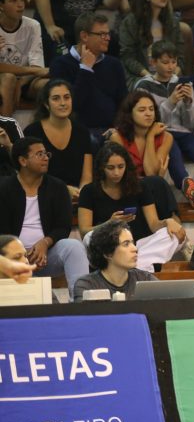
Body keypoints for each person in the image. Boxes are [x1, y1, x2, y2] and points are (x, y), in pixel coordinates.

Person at [0, 137, 89, 299]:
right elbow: (3, 231)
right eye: (39, 154)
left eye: (46, 154)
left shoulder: (58, 187)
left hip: (47, 254)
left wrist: (45, 243)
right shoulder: (4, 188)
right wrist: (21, 254)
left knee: (74, 247)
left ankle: (81, 300)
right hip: (12, 258)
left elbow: (63, 227)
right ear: (23, 161)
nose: (46, 158)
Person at [135, 40, 194, 203]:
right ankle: (187, 185)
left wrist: (189, 103)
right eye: (165, 62)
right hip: (158, 131)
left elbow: (190, 124)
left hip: (183, 131)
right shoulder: (144, 85)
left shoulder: (182, 82)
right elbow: (147, 119)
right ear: (153, 62)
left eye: (173, 62)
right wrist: (171, 102)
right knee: (171, 147)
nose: (170, 67)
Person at [78, 142, 186, 272]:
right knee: (89, 238)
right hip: (108, 247)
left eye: (121, 167)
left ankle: (131, 265)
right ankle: (136, 266)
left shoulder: (139, 186)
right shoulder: (89, 191)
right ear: (102, 168)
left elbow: (153, 224)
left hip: (137, 247)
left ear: (126, 166)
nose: (116, 173)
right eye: (110, 168)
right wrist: (109, 224)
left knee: (172, 235)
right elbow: (84, 231)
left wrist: (167, 222)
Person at [49, 12, 128, 146]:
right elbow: (70, 105)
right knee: (91, 142)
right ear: (84, 36)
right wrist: (85, 69)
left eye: (108, 34)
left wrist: (117, 128)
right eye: (102, 34)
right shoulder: (61, 65)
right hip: (77, 131)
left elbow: (123, 103)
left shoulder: (114, 64)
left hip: (111, 129)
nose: (108, 38)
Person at [23, 79, 93, 199]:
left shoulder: (82, 132)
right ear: (46, 104)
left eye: (67, 97)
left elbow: (87, 177)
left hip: (77, 196)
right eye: (56, 98)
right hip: (43, 196)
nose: (63, 103)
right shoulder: (32, 132)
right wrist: (64, 190)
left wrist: (82, 194)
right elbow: (32, 175)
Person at [119, 0, 184, 89]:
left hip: (169, 75)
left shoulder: (172, 22)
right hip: (141, 76)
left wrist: (174, 73)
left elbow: (180, 54)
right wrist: (150, 77)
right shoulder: (131, 22)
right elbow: (127, 57)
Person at [74, 219, 158, 302]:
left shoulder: (145, 279)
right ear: (107, 253)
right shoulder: (87, 285)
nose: (135, 249)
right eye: (126, 244)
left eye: (132, 243)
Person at [0, 0, 49, 117]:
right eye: (13, 0)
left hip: (27, 79)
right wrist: (28, 72)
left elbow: (37, 67)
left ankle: (45, 128)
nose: (20, 5)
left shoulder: (33, 26)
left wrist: (21, 82)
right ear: (1, 5)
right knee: (9, 78)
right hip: (5, 79)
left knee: (50, 85)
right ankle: (7, 127)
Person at [109, 90, 174, 181]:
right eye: (142, 110)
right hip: (128, 186)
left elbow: (151, 173)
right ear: (129, 114)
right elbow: (126, 175)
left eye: (151, 109)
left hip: (153, 186)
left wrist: (150, 136)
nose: (148, 114)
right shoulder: (117, 137)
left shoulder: (166, 137)